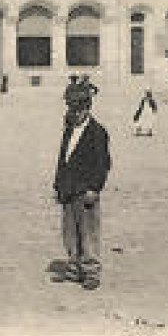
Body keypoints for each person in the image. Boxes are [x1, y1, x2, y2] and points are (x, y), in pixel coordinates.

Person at [53, 75, 112, 290]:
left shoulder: (97, 132)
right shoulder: (69, 128)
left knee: (89, 231)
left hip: (86, 190)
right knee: (69, 231)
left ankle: (91, 271)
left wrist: (94, 188)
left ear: (87, 109)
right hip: (68, 188)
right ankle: (74, 266)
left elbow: (103, 164)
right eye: (71, 108)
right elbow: (63, 157)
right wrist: (57, 185)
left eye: (77, 109)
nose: (73, 113)